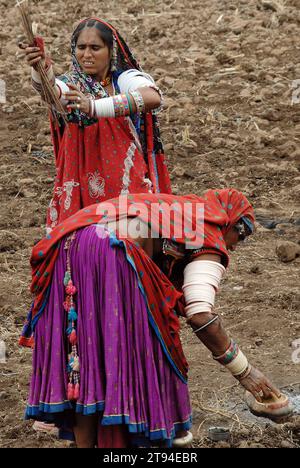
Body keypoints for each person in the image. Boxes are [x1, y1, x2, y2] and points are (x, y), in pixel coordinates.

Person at [20, 188, 280, 448]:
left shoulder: (175, 210)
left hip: (66, 246)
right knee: (151, 347)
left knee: (87, 361)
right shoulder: (207, 233)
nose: (235, 245)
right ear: (229, 222)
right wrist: (246, 373)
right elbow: (201, 316)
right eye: (241, 233)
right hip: (112, 251)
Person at [21, 17, 171, 234]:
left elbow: (152, 97)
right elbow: (53, 93)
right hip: (84, 183)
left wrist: (93, 107)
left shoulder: (124, 79)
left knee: (137, 234)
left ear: (111, 51)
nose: (87, 55)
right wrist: (40, 69)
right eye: (81, 47)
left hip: (128, 178)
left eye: (95, 48)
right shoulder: (73, 84)